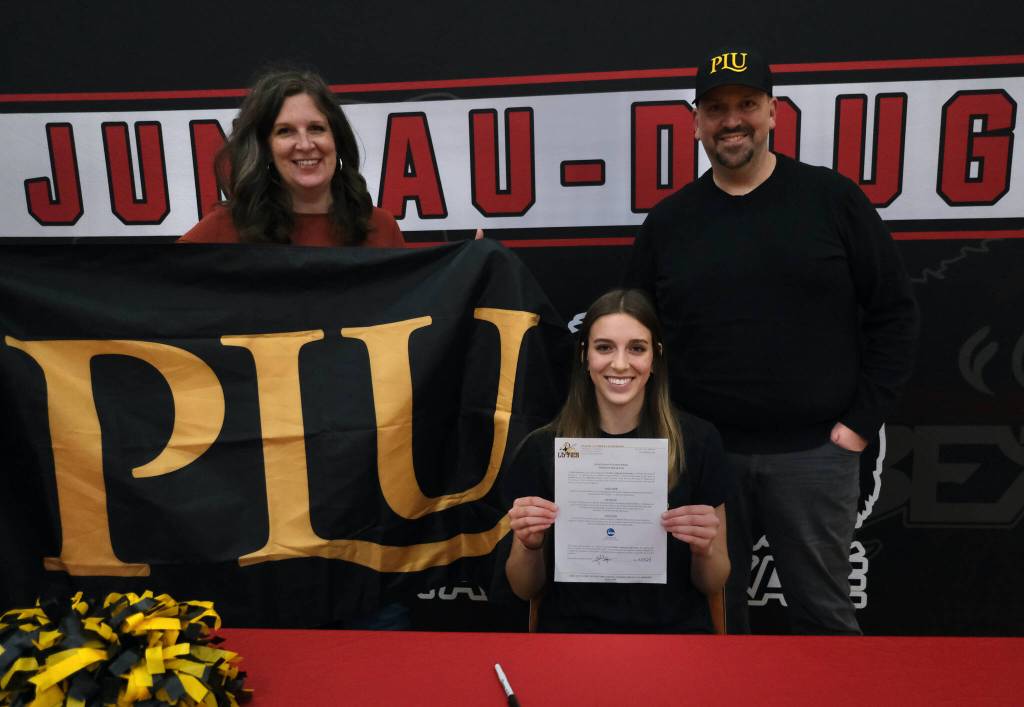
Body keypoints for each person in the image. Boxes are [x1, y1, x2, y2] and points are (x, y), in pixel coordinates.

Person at [624, 46, 918, 634]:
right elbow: (636, 336)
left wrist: (857, 426)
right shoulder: (670, 222)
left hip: (815, 454)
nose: (732, 120)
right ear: (695, 121)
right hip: (706, 457)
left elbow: (895, 313)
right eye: (715, 108)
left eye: (747, 104)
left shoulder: (831, 200)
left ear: (774, 111)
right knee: (712, 618)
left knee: (824, 617)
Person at [503, 289, 731, 633]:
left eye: (636, 348)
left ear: (655, 358)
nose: (620, 364)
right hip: (571, 636)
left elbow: (713, 583)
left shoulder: (697, 443)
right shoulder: (542, 449)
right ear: (584, 355)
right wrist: (528, 545)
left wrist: (705, 549)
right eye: (604, 347)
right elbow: (523, 588)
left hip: (674, 635)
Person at [179, 68, 403, 247]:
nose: (305, 145)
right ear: (265, 148)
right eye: (285, 131)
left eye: (316, 128)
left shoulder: (380, 228)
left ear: (337, 139)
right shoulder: (225, 229)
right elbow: (161, 288)